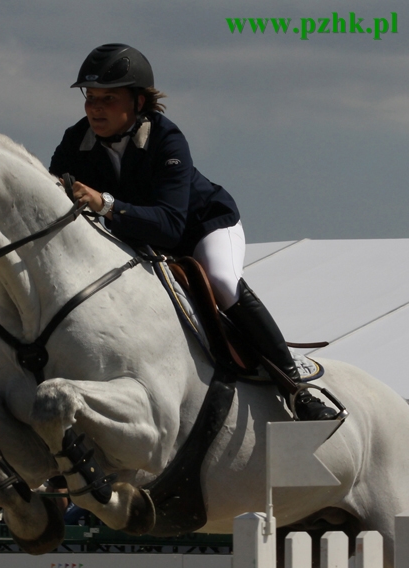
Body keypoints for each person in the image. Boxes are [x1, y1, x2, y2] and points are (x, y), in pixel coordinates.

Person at [49, 43, 336, 421]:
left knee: (221, 279)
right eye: (91, 98)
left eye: (108, 98)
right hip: (139, 236)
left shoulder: (167, 139)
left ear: (137, 102)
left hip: (202, 227)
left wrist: (105, 204)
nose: (95, 108)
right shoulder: (76, 140)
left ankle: (296, 387)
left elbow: (171, 226)